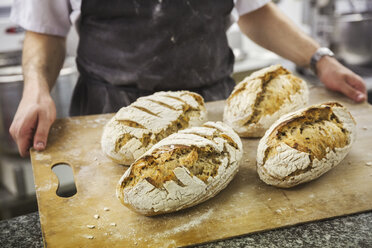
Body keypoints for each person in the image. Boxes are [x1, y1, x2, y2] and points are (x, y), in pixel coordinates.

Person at [9, 0, 366, 157]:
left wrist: (320, 59)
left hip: (212, 106)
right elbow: (45, 30)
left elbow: (254, 11)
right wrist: (36, 89)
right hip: (109, 111)